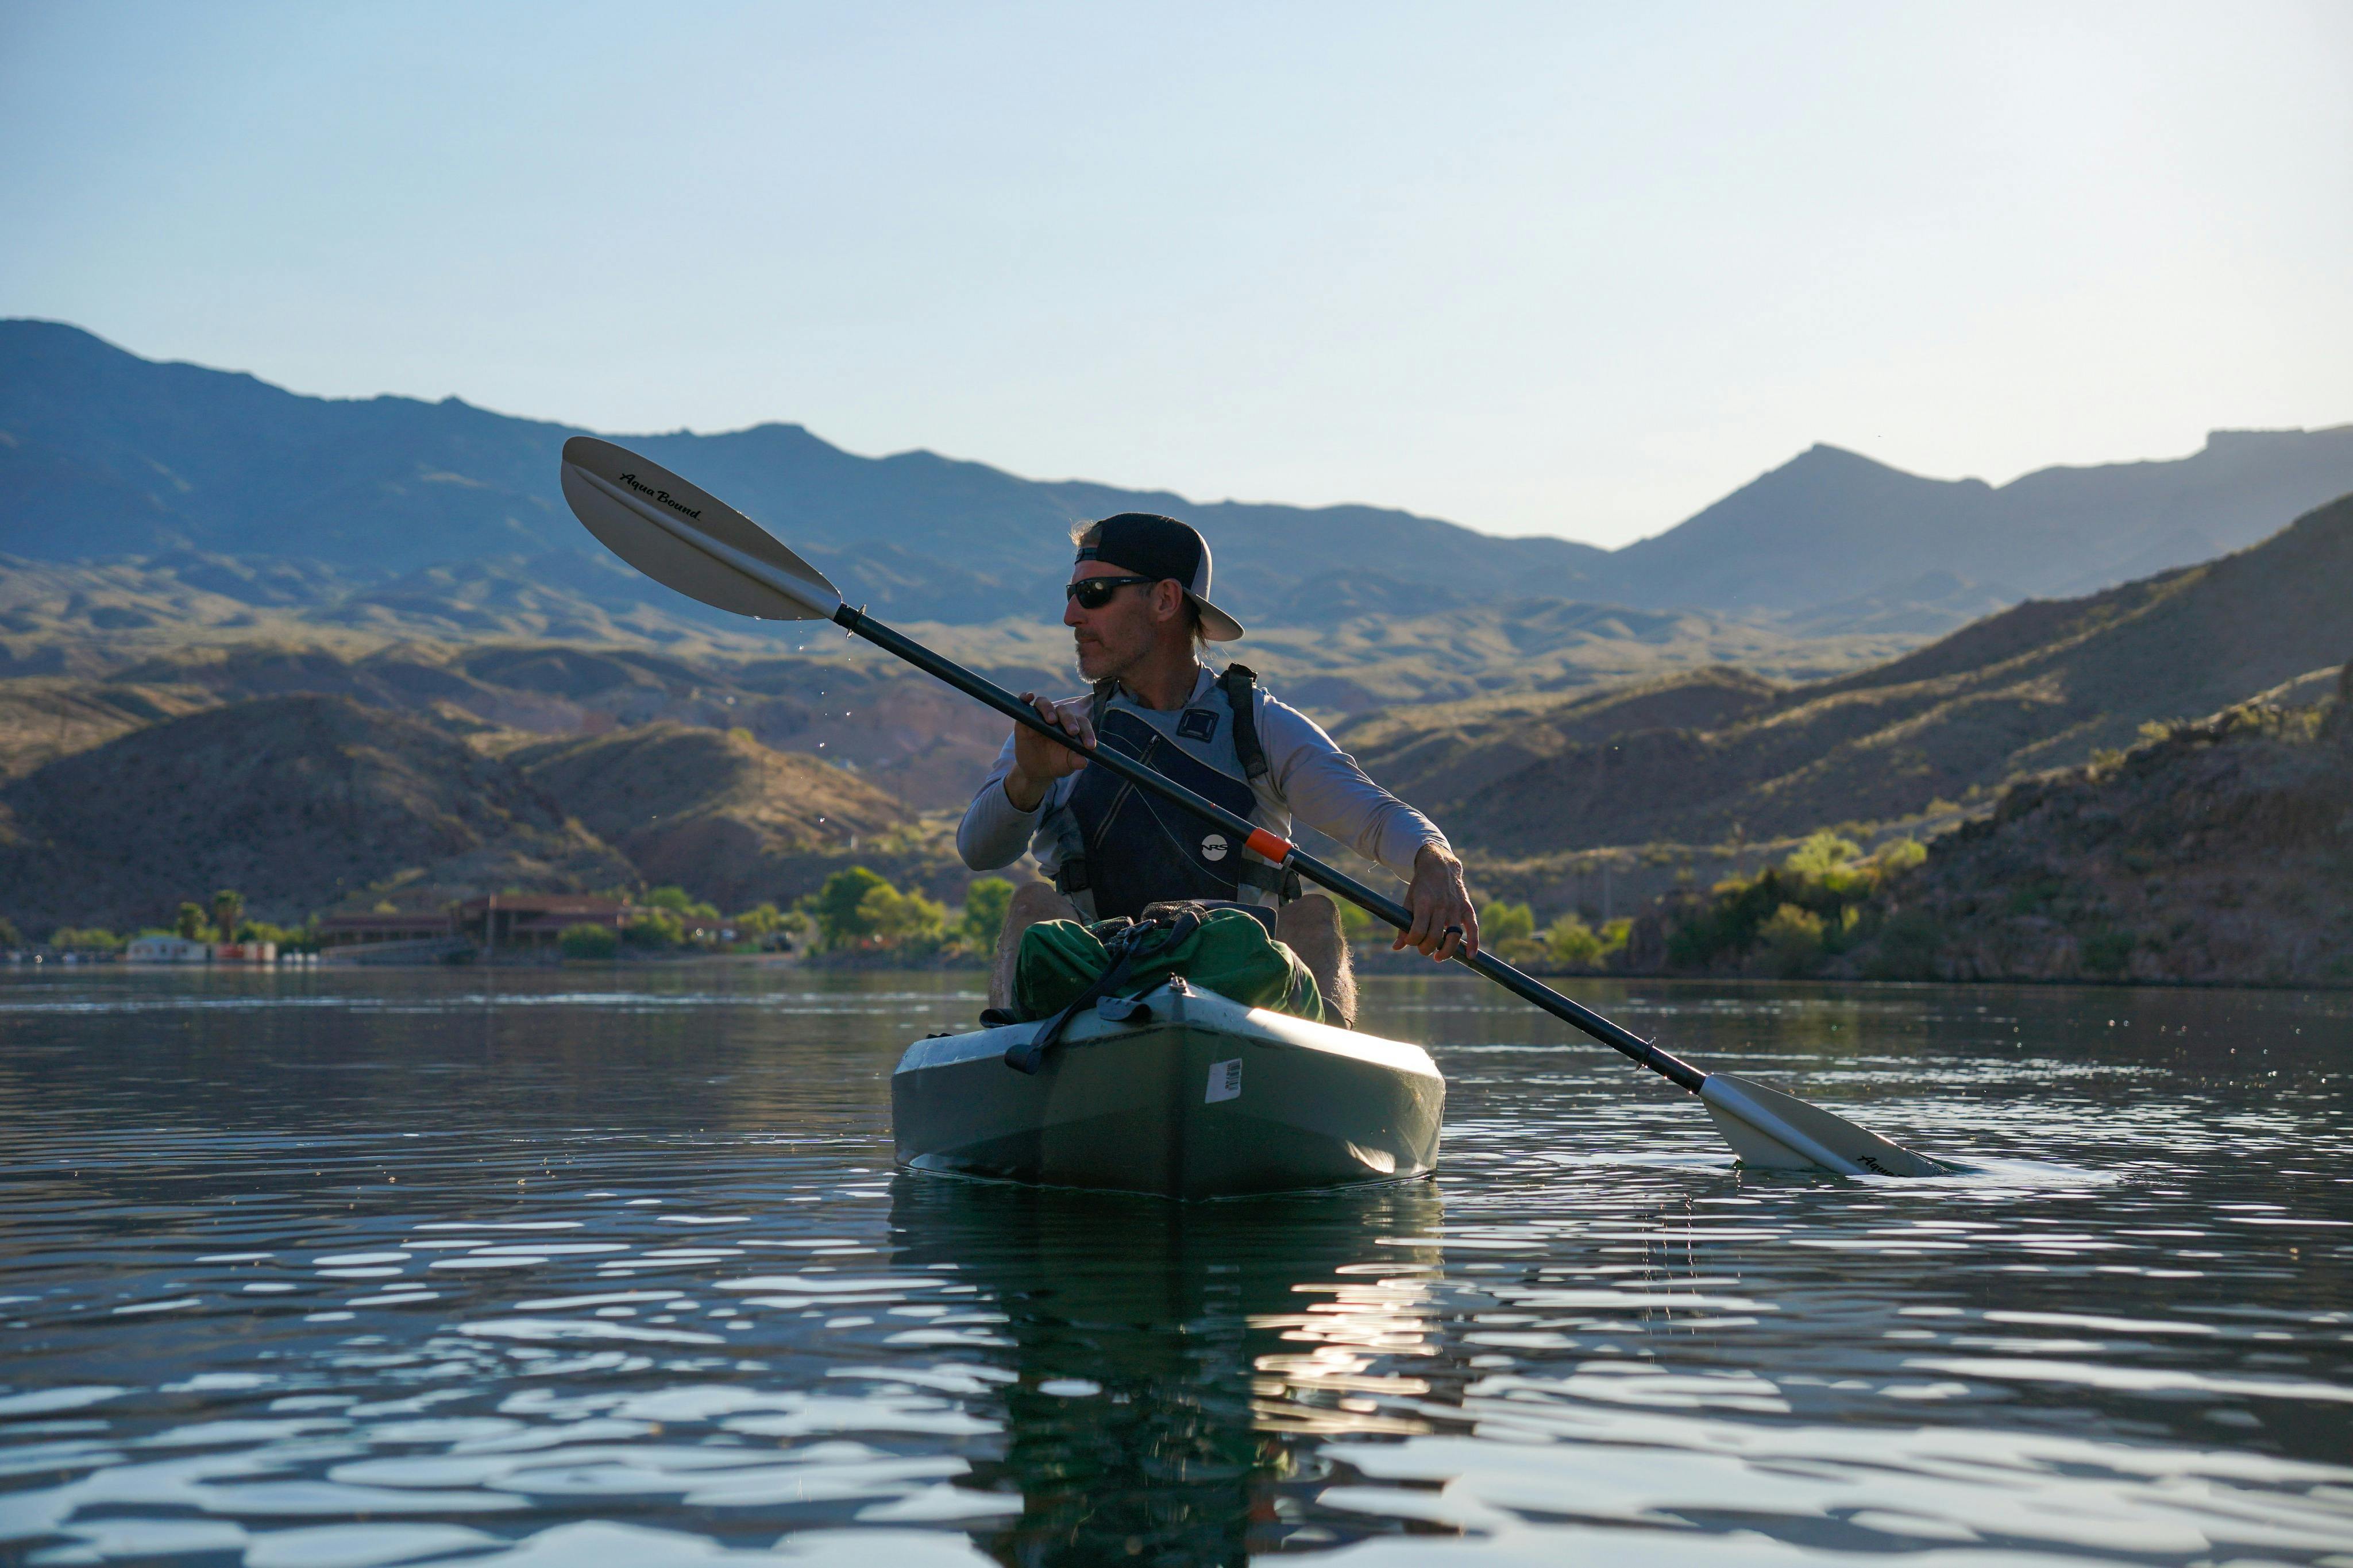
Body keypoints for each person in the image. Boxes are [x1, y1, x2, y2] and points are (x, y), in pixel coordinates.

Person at [956, 511, 1480, 1025]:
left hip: (1245, 988)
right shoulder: (1054, 732)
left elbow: (1376, 817)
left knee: (1313, 917)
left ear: (1164, 599)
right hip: (1093, 988)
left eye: (1093, 595)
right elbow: (979, 852)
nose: (1072, 616)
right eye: (1070, 595)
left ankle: (1320, 1066)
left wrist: (1435, 861)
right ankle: (1019, 1048)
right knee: (1030, 906)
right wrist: (1028, 779)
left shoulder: (1263, 726)